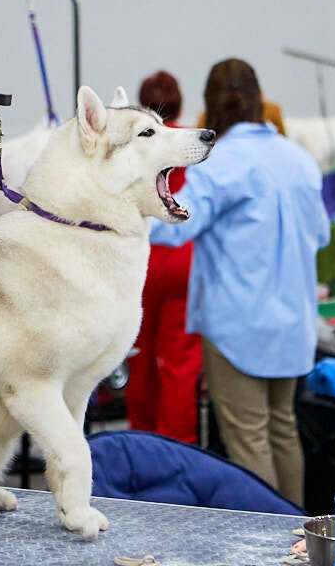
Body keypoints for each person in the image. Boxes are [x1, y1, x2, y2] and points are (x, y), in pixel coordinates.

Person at [149, 58, 331, 506]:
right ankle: (300, 538)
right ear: (259, 100)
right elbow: (323, 234)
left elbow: (173, 224)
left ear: (211, 106)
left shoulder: (222, 162)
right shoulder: (299, 159)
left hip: (239, 330)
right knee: (282, 429)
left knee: (249, 441)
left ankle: (266, 548)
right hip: (293, 326)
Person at [124, 70, 203, 443]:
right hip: (185, 261)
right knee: (180, 366)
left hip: (143, 262)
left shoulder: (136, 141)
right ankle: (179, 447)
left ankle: (141, 441)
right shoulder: (192, 141)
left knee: (140, 358)